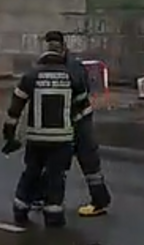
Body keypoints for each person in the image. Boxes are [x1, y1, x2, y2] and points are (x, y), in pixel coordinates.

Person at [2, 34, 91, 228]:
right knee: (56, 176)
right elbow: (83, 109)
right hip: (62, 140)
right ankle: (53, 216)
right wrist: (79, 136)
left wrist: (9, 136)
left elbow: (14, 110)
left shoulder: (31, 76)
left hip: (36, 139)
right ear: (61, 51)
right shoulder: (71, 77)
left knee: (31, 172)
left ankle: (20, 209)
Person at [30, 30, 112, 217]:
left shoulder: (71, 67)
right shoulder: (52, 65)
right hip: (64, 122)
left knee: (87, 162)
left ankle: (99, 201)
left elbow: (78, 92)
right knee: (56, 163)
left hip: (78, 121)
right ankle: (42, 196)